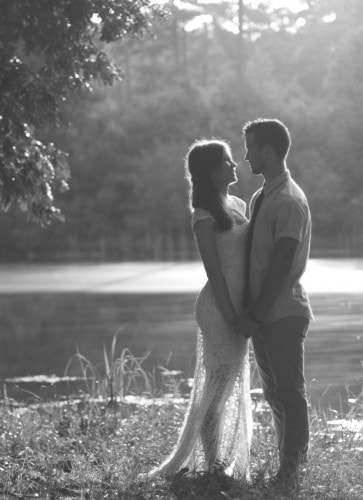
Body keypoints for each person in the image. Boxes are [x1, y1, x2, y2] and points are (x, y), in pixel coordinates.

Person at [144, 139, 253, 480]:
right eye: (227, 161)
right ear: (210, 171)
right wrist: (232, 314)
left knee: (227, 382)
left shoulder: (237, 203)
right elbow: (214, 271)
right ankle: (212, 464)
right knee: (217, 389)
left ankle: (219, 463)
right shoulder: (203, 214)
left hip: (238, 306)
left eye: (233, 160)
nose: (235, 166)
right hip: (219, 310)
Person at [236, 118, 314, 489]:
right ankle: (287, 465)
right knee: (273, 394)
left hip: (282, 313)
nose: (246, 155)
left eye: (250, 147)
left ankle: (292, 470)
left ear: (267, 150)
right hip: (265, 314)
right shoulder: (261, 195)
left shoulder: (288, 200)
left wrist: (256, 313)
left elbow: (282, 264)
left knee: (289, 393)